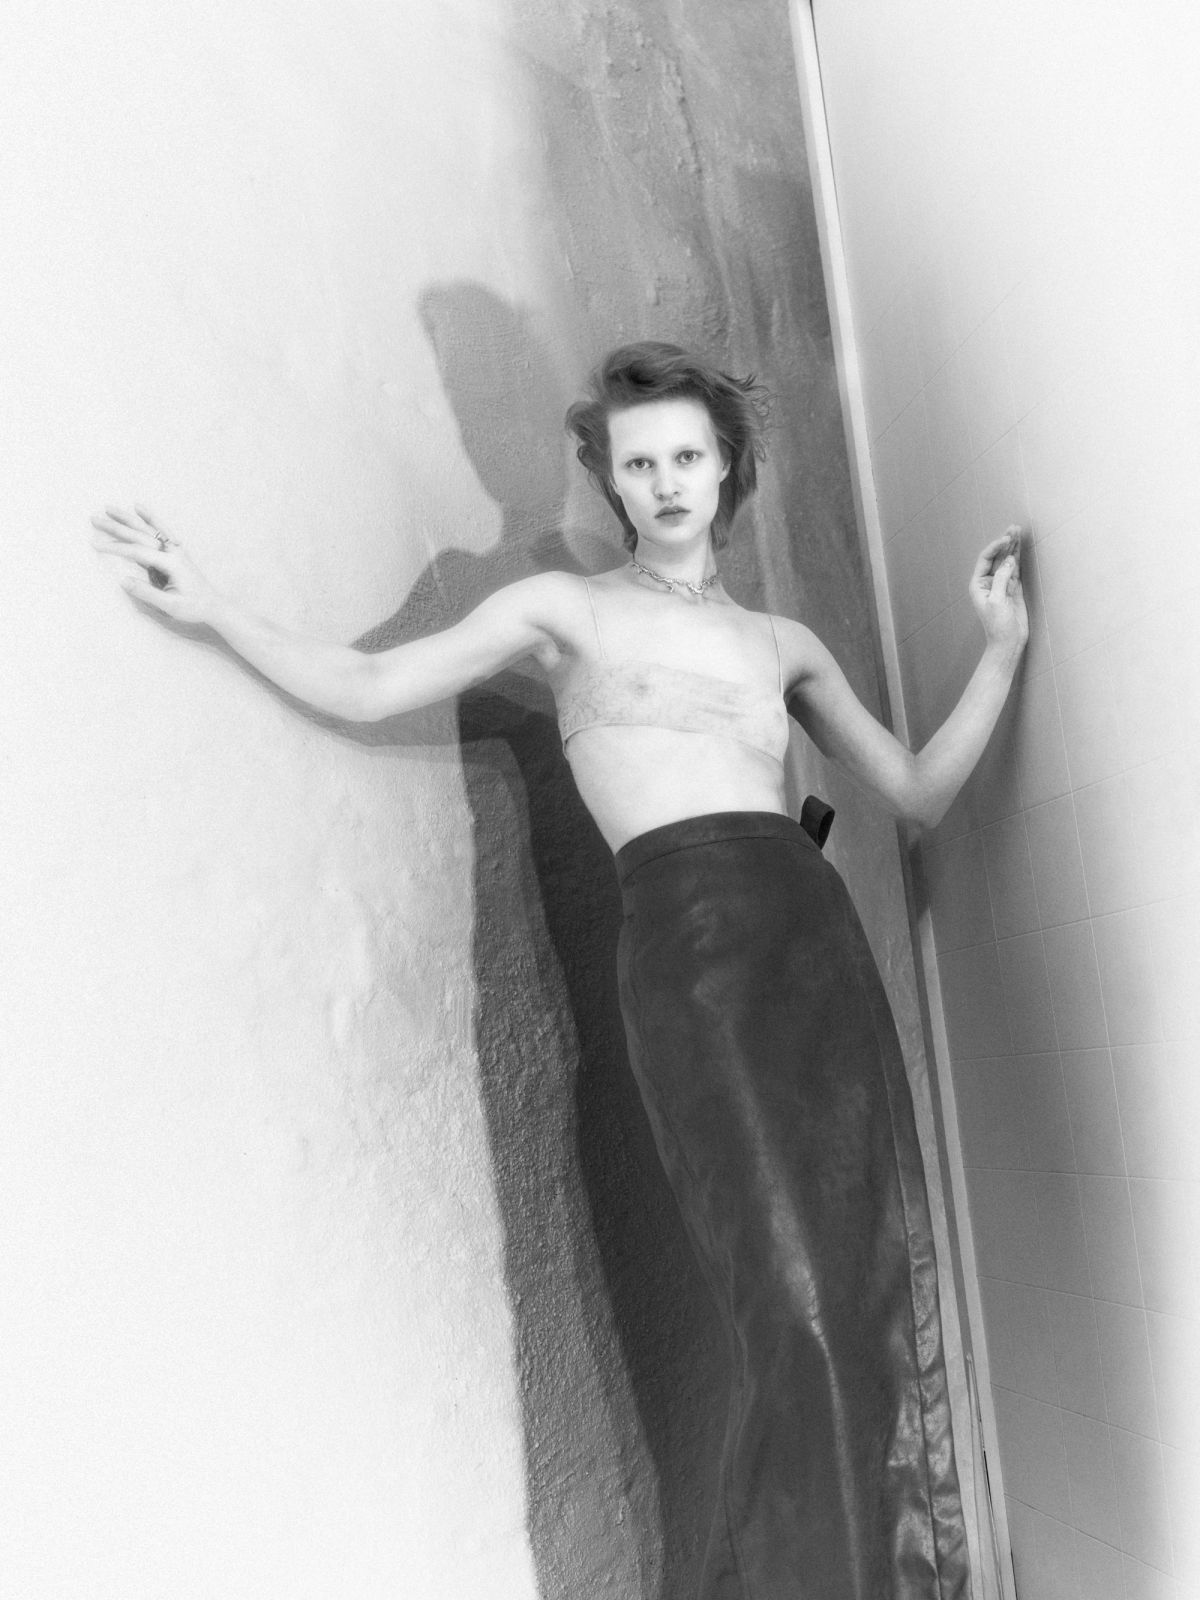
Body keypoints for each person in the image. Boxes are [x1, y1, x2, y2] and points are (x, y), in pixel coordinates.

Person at [92, 341, 1027, 1599]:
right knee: (793, 1321)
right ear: (610, 481)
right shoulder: (564, 612)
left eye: (688, 455)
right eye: (639, 464)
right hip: (690, 954)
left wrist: (1002, 653)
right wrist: (212, 604)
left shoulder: (781, 640)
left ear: (727, 467)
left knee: (866, 1308)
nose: (666, 482)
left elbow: (913, 789)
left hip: (810, 948)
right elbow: (371, 683)